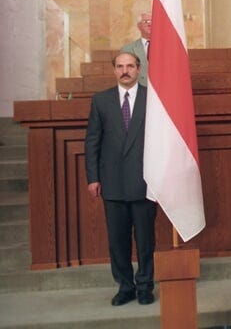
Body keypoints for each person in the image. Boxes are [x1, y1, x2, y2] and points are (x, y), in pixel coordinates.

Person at [84, 51, 156, 306]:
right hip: (112, 181)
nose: (125, 70)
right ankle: (125, 286)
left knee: (146, 240)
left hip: (145, 182)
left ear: (139, 69)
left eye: (130, 66)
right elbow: (93, 141)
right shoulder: (101, 100)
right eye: (120, 66)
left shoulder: (152, 98)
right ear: (114, 70)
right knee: (118, 241)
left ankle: (145, 286)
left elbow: (162, 141)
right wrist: (93, 177)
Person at [121, 12, 151, 86]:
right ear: (139, 26)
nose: (150, 24)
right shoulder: (128, 49)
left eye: (153, 21)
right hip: (139, 93)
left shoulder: (169, 48)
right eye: (146, 21)